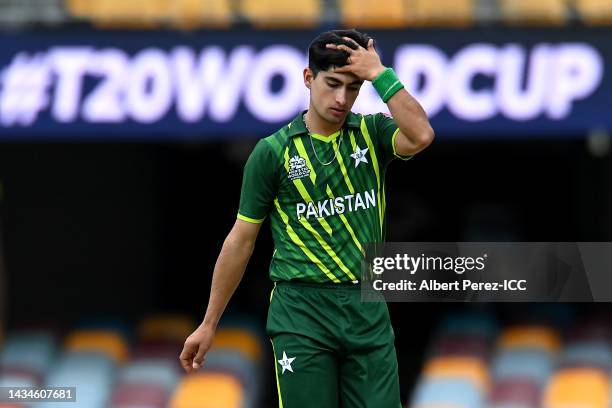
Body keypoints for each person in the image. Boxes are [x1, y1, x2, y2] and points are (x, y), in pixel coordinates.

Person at [180, 29, 434, 407]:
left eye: (352, 87)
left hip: (365, 303)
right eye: (332, 84)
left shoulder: (372, 133)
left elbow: (422, 135)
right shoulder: (272, 153)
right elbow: (241, 239)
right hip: (302, 311)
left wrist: (380, 74)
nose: (341, 98)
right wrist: (209, 322)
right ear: (308, 78)